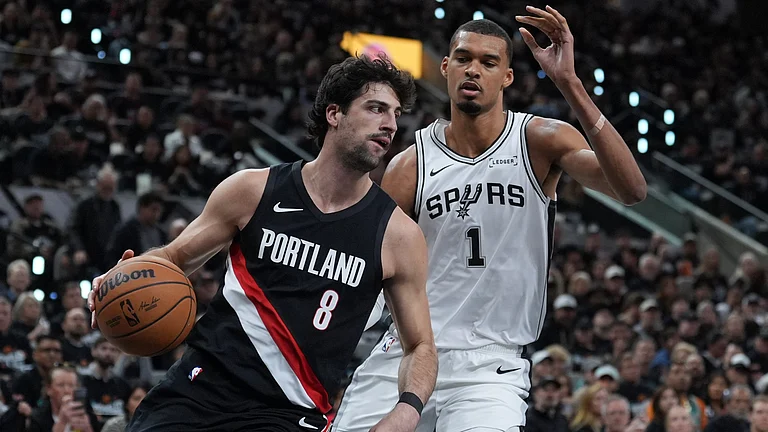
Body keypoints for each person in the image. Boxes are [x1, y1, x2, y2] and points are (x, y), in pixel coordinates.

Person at [333, 7, 646, 432]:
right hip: (407, 350)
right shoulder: (410, 165)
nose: (473, 70)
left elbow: (631, 190)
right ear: (446, 67)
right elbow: (373, 273)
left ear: (507, 77)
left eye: (489, 62)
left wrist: (569, 83)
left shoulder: (539, 140)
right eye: (464, 58)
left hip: (489, 366)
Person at [88, 55, 437, 432]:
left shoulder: (398, 235)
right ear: (334, 114)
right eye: (376, 108)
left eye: (396, 114)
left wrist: (407, 411)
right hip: (199, 389)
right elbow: (173, 258)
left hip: (288, 414)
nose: (390, 124)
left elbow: (420, 345)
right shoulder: (253, 190)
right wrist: (126, 277)